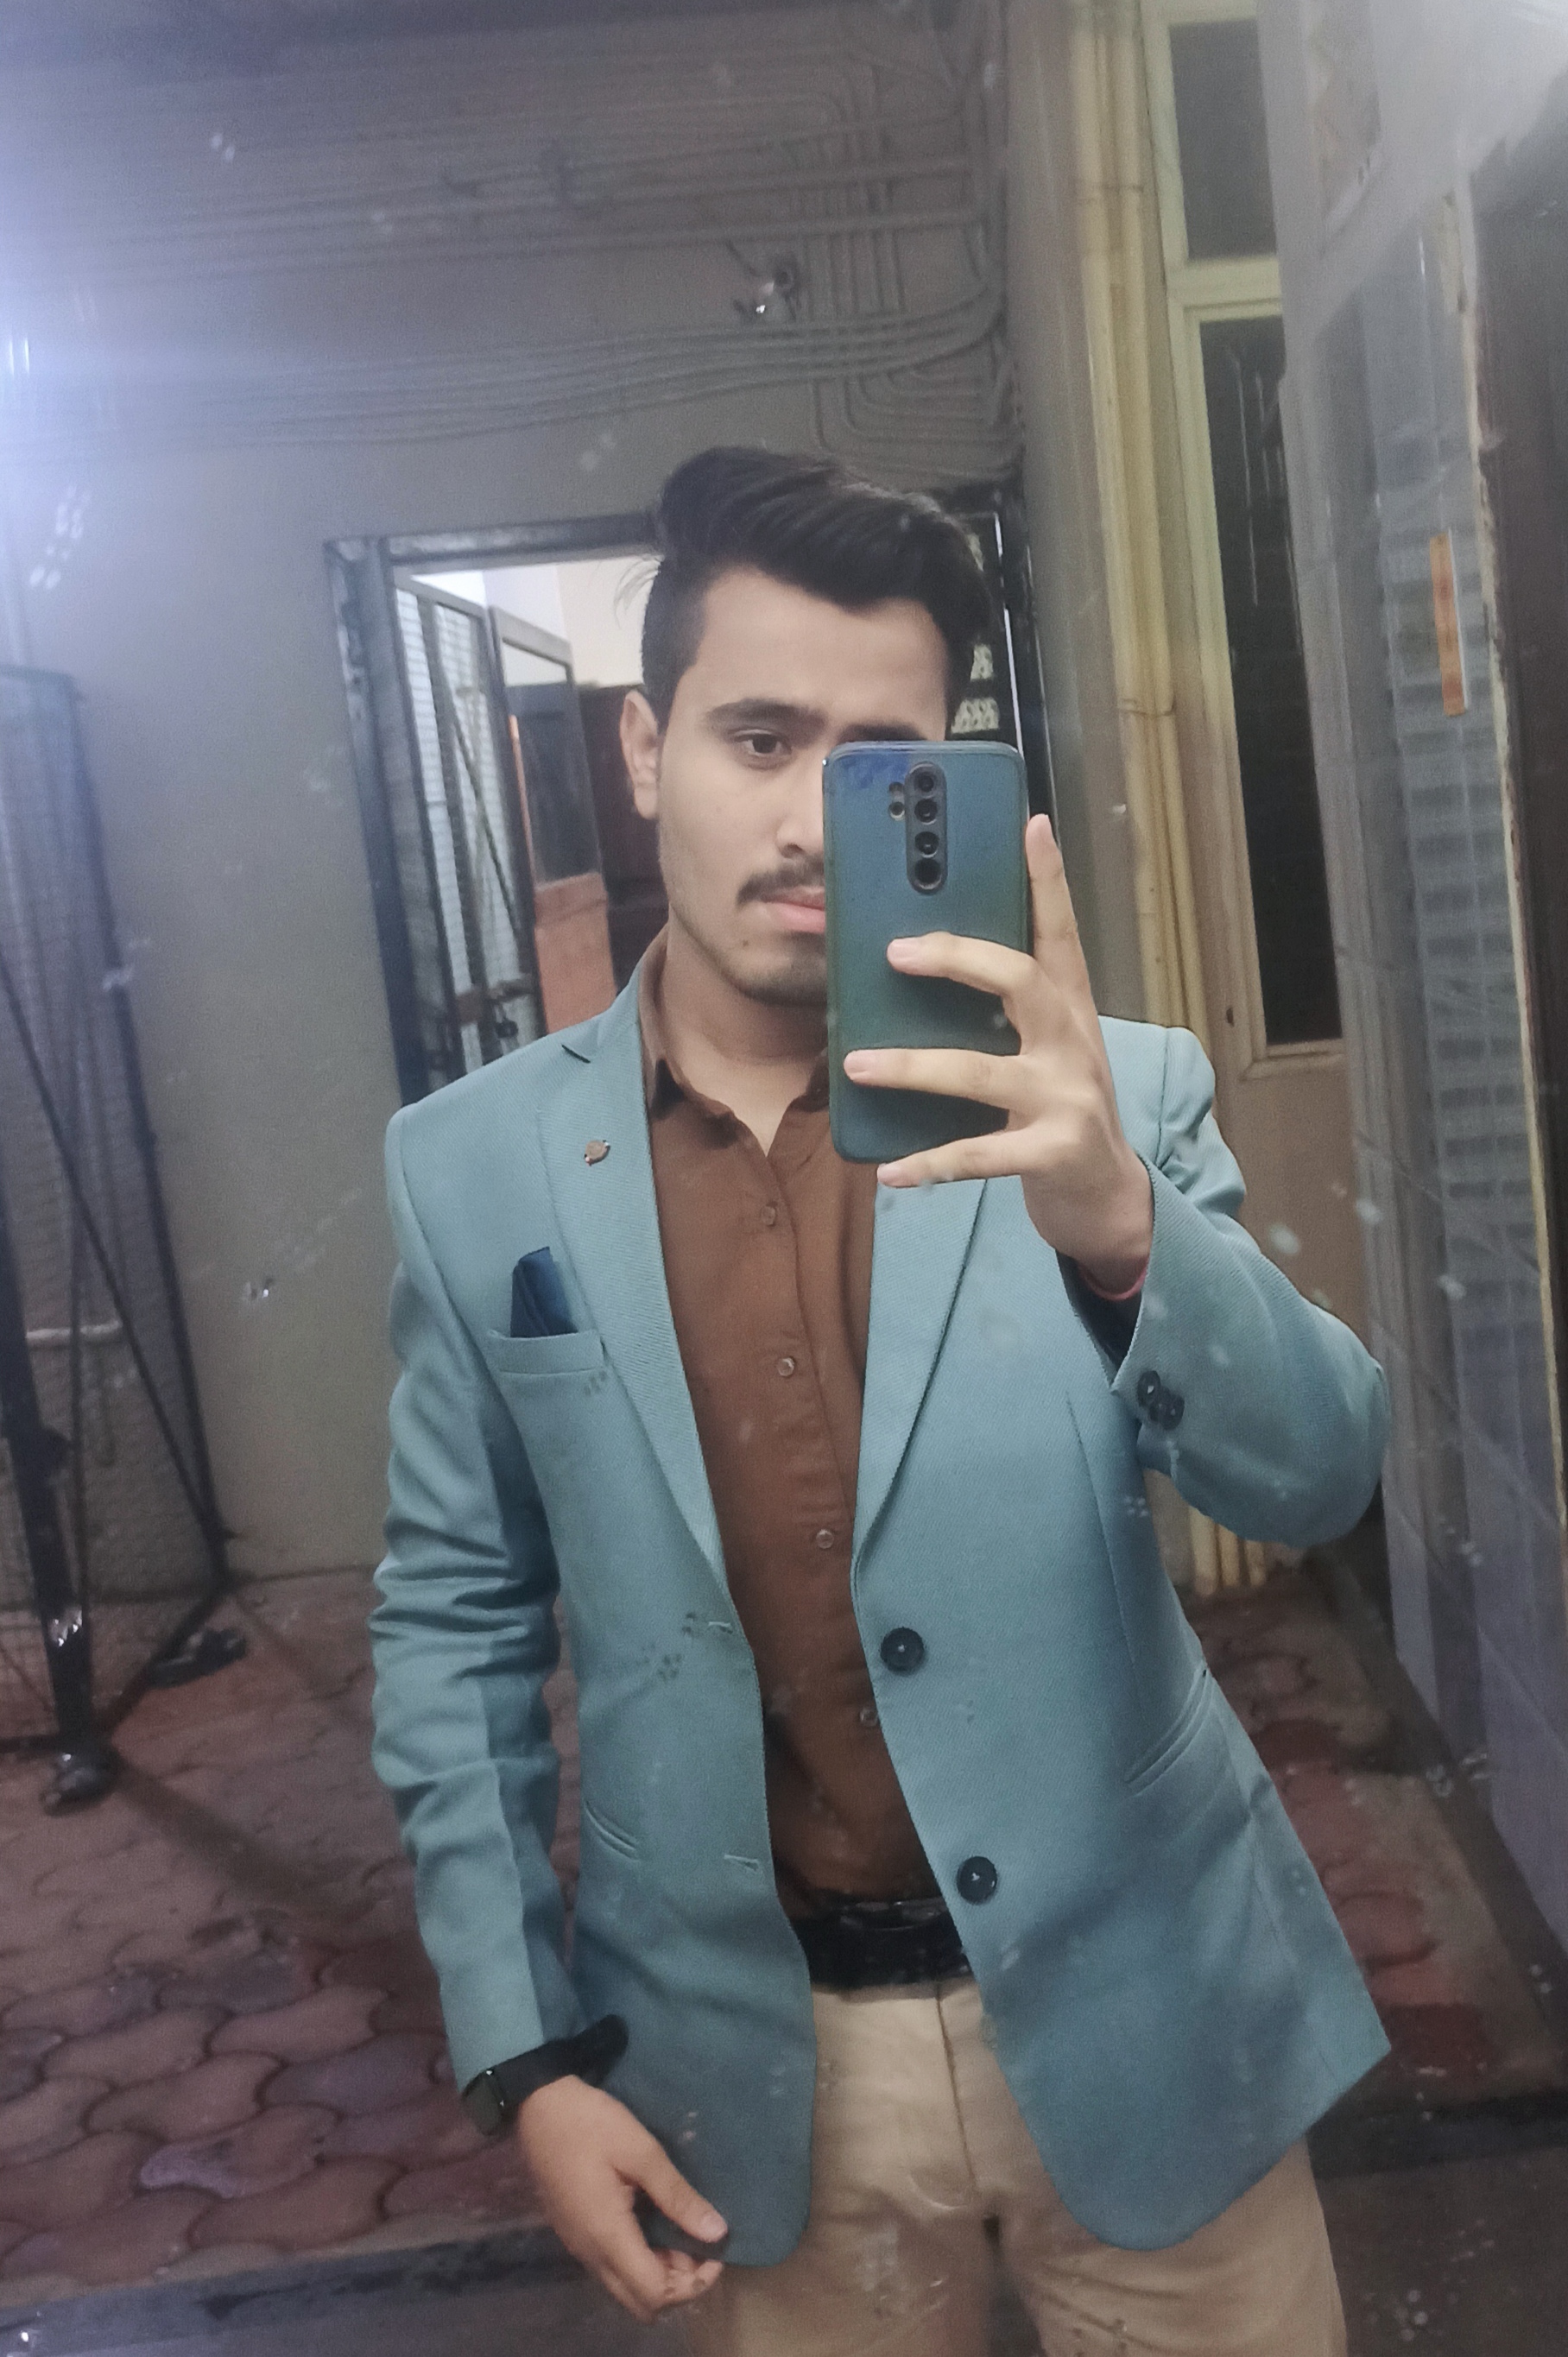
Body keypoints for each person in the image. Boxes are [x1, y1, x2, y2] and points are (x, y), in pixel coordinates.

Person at [370, 447, 1389, 2356]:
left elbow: (1318, 1473)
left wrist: (1117, 1220)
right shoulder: (473, 1169)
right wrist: (522, 2050)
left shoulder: (1107, 1096)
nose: (807, 825)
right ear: (644, 747)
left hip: (1152, 2011)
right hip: (742, 2073)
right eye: (758, 739)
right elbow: (453, 1618)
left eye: (879, 765)